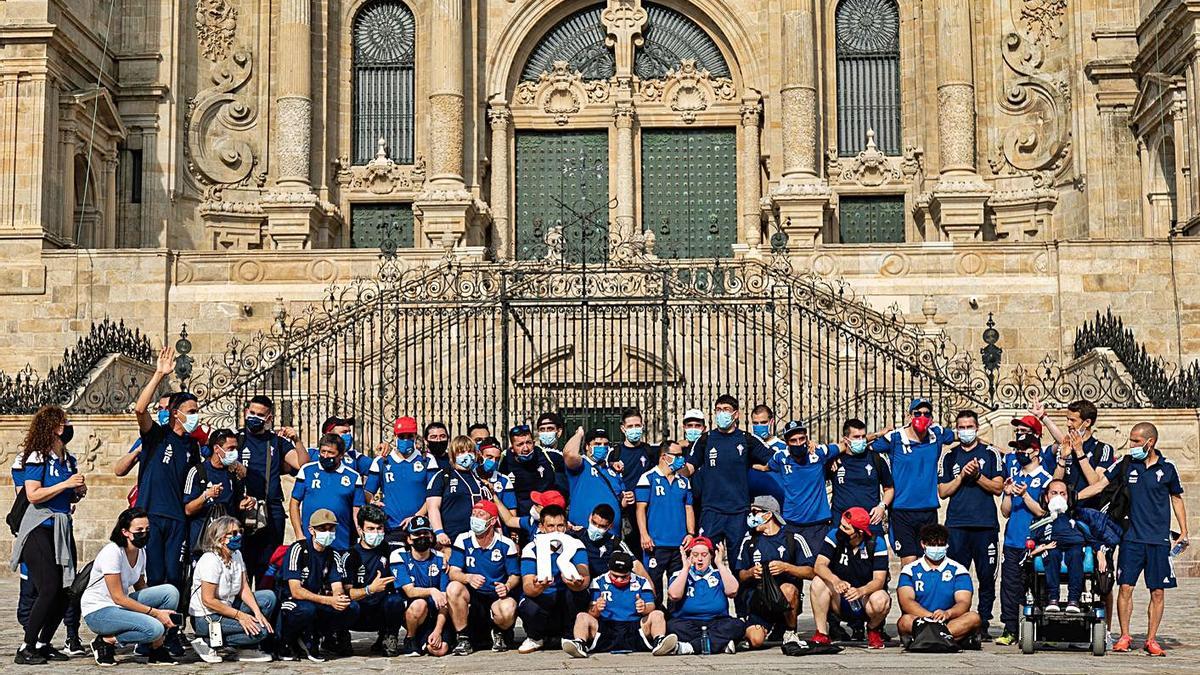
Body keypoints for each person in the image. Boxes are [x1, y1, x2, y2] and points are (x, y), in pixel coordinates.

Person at [1078, 422, 1188, 656]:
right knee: (1125, 587)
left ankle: (1151, 639)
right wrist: (1072, 498)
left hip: (1158, 540)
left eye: (1136, 441)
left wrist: (1184, 532)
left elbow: (1176, 498)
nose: (1132, 446)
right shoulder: (1126, 464)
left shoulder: (1168, 468)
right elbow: (1100, 485)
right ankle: (1125, 636)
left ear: (1151, 442)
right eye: (1131, 441)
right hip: (1131, 538)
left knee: (1157, 591)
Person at [11, 405, 84, 665]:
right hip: (39, 526)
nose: (68, 427)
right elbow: (32, 495)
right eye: (63, 423)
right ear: (52, 427)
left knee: (67, 590)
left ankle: (43, 643)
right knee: (49, 587)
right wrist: (65, 484)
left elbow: (66, 495)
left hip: (62, 527)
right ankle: (26, 647)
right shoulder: (37, 457)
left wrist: (76, 491)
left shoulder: (69, 459)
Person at [132, 351, 202, 600]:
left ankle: (171, 628)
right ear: (176, 413)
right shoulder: (157, 436)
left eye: (196, 410)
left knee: (174, 576)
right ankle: (152, 631)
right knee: (155, 575)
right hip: (152, 514)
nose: (195, 415)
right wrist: (159, 374)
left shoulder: (192, 446)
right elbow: (140, 410)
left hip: (177, 518)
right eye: (191, 411)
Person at [80, 508, 181, 666]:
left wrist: (157, 606)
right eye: (139, 530)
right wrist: (155, 613)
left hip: (120, 606)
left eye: (147, 529)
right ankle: (106, 641)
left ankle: (156, 648)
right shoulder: (112, 552)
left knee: (170, 592)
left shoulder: (140, 552)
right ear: (125, 532)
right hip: (99, 610)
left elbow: (140, 585)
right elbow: (118, 597)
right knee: (155, 628)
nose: (145, 533)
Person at [938, 410, 1004, 637]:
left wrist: (977, 476)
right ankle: (957, 621)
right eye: (961, 427)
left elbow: (998, 487)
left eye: (969, 427)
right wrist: (962, 476)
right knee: (957, 576)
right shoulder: (949, 456)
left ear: (977, 428)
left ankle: (983, 621)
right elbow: (943, 491)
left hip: (985, 525)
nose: (965, 431)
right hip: (957, 525)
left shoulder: (990, 453)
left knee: (987, 576)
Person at [870, 397, 956, 565]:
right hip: (902, 510)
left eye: (926, 414)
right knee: (908, 563)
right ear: (909, 415)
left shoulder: (937, 434)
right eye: (917, 413)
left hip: (928, 509)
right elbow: (862, 447)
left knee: (929, 561)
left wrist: (999, 450)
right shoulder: (894, 438)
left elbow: (964, 436)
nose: (922, 417)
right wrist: (878, 434)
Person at [683, 395, 773, 551]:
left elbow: (773, 460)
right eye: (718, 410)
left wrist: (760, 467)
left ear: (736, 414)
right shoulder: (706, 439)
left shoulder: (747, 439)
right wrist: (674, 467)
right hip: (711, 510)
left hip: (738, 511)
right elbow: (690, 467)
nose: (721, 413)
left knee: (739, 561)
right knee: (706, 556)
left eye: (726, 410)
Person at [994, 418, 1051, 646]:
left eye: (1021, 448)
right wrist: (1008, 493)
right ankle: (1010, 628)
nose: (1018, 452)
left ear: (1034, 451)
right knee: (1009, 587)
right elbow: (1005, 512)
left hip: (1036, 542)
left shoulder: (1045, 480)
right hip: (1012, 541)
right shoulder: (1015, 477)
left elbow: (1043, 512)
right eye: (1016, 448)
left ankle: (1041, 628)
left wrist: (1026, 495)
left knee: (1039, 586)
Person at [187, 516, 275, 663]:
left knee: (267, 598)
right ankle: (208, 641)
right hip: (208, 616)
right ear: (221, 538)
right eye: (234, 533)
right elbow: (208, 600)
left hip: (228, 607)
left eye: (239, 531)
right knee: (262, 631)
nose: (239, 536)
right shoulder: (210, 560)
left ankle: (245, 647)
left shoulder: (236, 555)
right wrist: (241, 616)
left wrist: (257, 612)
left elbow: (244, 587)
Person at [277, 508, 360, 662]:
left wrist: (339, 600)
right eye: (322, 528)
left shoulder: (333, 554)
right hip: (292, 601)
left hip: (317, 600)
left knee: (351, 607)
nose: (327, 532)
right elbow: (295, 591)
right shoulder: (298, 549)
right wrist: (329, 600)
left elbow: (337, 587)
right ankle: (287, 641)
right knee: (307, 609)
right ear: (311, 530)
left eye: (331, 528)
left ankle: (324, 636)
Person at [562, 550, 678, 658]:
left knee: (657, 614)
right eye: (615, 576)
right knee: (582, 616)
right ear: (609, 569)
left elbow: (651, 606)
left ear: (630, 572)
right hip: (606, 628)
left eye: (624, 577)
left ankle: (659, 641)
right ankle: (580, 643)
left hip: (635, 627)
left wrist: (644, 608)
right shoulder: (598, 582)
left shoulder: (642, 581)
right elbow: (592, 612)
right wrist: (597, 608)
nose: (619, 580)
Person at [236, 394, 299, 584]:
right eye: (251, 412)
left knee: (268, 567)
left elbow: (300, 464)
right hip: (242, 510)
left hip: (271, 511)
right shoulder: (236, 439)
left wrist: (297, 440)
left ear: (269, 418)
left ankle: (267, 607)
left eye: (260, 414)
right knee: (241, 567)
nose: (254, 417)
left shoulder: (276, 442)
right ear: (246, 412)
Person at [810, 507, 891, 648]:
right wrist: (836, 581)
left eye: (846, 528)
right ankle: (822, 633)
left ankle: (873, 629)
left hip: (865, 598)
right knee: (818, 582)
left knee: (882, 599)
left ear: (859, 532)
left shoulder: (877, 543)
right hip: (840, 597)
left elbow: (879, 580)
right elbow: (819, 565)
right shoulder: (834, 536)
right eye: (841, 525)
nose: (841, 530)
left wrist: (861, 591)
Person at [447, 500, 520, 654]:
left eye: (481, 515)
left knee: (508, 608)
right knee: (453, 588)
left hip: (496, 595)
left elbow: (515, 575)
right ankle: (463, 638)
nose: (475, 518)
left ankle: (498, 632)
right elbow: (453, 572)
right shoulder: (463, 539)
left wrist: (506, 586)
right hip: (473, 595)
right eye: (473, 514)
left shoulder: (506, 544)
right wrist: (468, 578)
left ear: (492, 521)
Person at [516, 503, 591, 653]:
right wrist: (539, 587)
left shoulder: (575, 544)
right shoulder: (531, 548)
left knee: (580, 594)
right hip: (543, 597)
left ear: (566, 526)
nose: (556, 531)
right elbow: (527, 587)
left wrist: (576, 584)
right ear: (542, 527)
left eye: (560, 526)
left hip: (565, 597)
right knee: (527, 604)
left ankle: (570, 635)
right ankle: (534, 637)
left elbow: (585, 577)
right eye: (551, 526)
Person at [734, 495, 806, 648]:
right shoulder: (749, 540)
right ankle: (757, 627)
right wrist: (751, 572)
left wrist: (786, 567)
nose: (751, 516)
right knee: (755, 641)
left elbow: (812, 571)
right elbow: (740, 575)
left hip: (784, 597)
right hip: (759, 599)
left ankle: (790, 631)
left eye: (755, 512)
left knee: (788, 589)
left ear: (768, 515)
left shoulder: (793, 538)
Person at [896, 524, 982, 646]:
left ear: (947, 545)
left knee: (974, 617)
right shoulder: (910, 570)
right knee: (904, 621)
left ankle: (926, 639)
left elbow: (964, 602)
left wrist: (947, 613)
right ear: (923, 544)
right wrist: (931, 616)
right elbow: (906, 602)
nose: (936, 548)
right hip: (922, 620)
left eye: (940, 545)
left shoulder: (958, 570)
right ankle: (946, 639)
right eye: (932, 545)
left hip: (949, 621)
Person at [768, 420, 836, 567]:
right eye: (793, 440)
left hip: (817, 525)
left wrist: (836, 458)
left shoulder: (818, 453)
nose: (798, 443)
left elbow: (845, 445)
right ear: (786, 442)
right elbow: (764, 467)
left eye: (801, 439)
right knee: (791, 570)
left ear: (807, 438)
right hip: (791, 523)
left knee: (819, 568)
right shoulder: (780, 457)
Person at [635, 439, 695, 604]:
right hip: (655, 544)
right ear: (664, 457)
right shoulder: (648, 478)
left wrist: (691, 533)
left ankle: (675, 623)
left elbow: (688, 508)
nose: (680, 459)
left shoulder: (684, 481)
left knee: (677, 588)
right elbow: (640, 509)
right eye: (676, 455)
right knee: (653, 586)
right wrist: (644, 535)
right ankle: (656, 621)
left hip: (679, 545)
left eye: (681, 455)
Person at [341, 505, 403, 656]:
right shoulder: (350, 555)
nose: (375, 533)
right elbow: (347, 593)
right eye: (370, 529)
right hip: (358, 613)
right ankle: (341, 637)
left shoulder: (390, 550)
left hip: (380, 611)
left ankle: (388, 637)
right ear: (361, 530)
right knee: (348, 605)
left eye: (379, 528)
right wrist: (370, 589)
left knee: (396, 600)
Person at [665, 537, 745, 655]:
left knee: (738, 625)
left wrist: (720, 564)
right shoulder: (680, 574)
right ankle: (720, 644)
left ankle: (689, 647)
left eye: (704, 554)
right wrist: (686, 568)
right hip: (688, 623)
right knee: (671, 626)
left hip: (717, 622)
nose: (700, 559)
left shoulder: (719, 573)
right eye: (695, 554)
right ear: (690, 556)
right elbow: (674, 595)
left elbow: (732, 591)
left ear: (711, 556)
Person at [290, 433, 364, 551]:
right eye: (323, 451)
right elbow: (294, 503)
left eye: (330, 453)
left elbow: (357, 511)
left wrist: (361, 535)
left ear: (341, 455)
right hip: (310, 542)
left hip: (341, 543)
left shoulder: (353, 477)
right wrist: (299, 534)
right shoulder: (307, 470)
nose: (325, 456)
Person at [391, 516, 451, 657]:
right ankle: (411, 638)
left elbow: (444, 600)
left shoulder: (440, 558)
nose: (422, 537)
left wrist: (438, 630)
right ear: (409, 539)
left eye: (425, 533)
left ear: (431, 537)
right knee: (419, 603)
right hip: (414, 612)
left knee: (440, 650)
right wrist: (431, 591)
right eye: (417, 534)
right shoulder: (399, 556)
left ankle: (428, 638)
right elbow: (410, 591)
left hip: (437, 614)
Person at [184, 429, 251, 555]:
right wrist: (206, 495)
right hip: (203, 543)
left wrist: (246, 503)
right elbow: (188, 509)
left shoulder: (233, 473)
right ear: (217, 448)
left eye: (236, 448)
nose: (234, 452)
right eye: (230, 448)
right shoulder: (198, 472)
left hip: (227, 544)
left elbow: (237, 503)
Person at [363, 416, 429, 544]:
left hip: (420, 526)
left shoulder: (427, 460)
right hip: (391, 526)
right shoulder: (382, 461)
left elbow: (433, 496)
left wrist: (416, 516)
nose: (405, 440)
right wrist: (372, 502)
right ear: (395, 436)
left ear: (415, 436)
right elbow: (368, 491)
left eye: (409, 436)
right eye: (401, 436)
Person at [1027, 480, 1089, 613]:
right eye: (1054, 493)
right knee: (1052, 554)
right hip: (1051, 547)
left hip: (1074, 547)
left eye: (1063, 494)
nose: (1059, 497)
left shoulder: (1077, 516)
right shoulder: (1041, 519)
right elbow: (1032, 539)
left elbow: (1091, 535)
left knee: (1076, 554)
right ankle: (1053, 598)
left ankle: (1074, 599)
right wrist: (1040, 548)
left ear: (1068, 497)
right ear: (1046, 497)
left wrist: (1100, 552)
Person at [826, 418, 893, 539]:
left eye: (863, 437)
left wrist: (882, 507)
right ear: (846, 439)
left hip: (871, 525)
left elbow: (889, 489)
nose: (861, 440)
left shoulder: (876, 459)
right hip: (841, 525)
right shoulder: (835, 461)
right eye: (856, 437)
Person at [564, 427, 629, 535]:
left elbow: (620, 500)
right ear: (587, 446)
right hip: (582, 532)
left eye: (605, 444)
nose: (602, 447)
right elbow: (569, 454)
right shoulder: (581, 465)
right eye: (597, 444)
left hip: (611, 534)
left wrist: (626, 500)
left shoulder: (613, 471)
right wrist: (579, 434)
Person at [426, 435, 489, 546]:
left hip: (478, 540)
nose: (466, 455)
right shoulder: (443, 476)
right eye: (461, 451)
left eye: (470, 451)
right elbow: (432, 507)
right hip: (451, 539)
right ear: (453, 455)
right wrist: (439, 532)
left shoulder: (479, 479)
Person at [615, 408, 658, 551]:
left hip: (647, 510)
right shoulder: (615, 453)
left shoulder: (649, 451)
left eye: (637, 426)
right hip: (625, 512)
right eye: (630, 426)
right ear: (623, 428)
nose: (634, 429)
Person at [499, 424, 562, 515]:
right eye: (520, 444)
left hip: (544, 514)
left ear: (533, 442)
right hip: (518, 517)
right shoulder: (505, 460)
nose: (526, 448)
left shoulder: (546, 456)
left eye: (528, 443)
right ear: (512, 448)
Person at [307, 416, 372, 484]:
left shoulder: (354, 456)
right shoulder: (311, 453)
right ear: (329, 435)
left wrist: (368, 491)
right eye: (344, 432)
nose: (349, 435)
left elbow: (379, 468)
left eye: (349, 432)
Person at [746, 404, 787, 501]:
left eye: (763, 422)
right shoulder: (746, 445)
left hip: (778, 499)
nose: (759, 426)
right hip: (752, 501)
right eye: (755, 423)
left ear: (771, 422)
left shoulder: (783, 447)